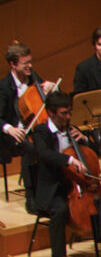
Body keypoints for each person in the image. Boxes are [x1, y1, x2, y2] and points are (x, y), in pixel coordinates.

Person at [25, 90, 86, 257]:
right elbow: (44, 153)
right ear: (51, 113)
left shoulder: (71, 129)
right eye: (63, 113)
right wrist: (68, 160)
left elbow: (90, 152)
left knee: (100, 201)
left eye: (69, 112)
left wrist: (85, 139)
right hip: (52, 187)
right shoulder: (41, 132)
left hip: (73, 183)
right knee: (59, 210)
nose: (68, 117)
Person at [0, 40, 57, 169]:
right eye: (25, 63)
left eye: (30, 62)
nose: (30, 66)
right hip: (15, 133)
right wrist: (9, 128)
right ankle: (31, 186)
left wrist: (52, 89)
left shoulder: (32, 77)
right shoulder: (4, 87)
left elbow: (48, 98)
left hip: (35, 128)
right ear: (13, 64)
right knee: (32, 147)